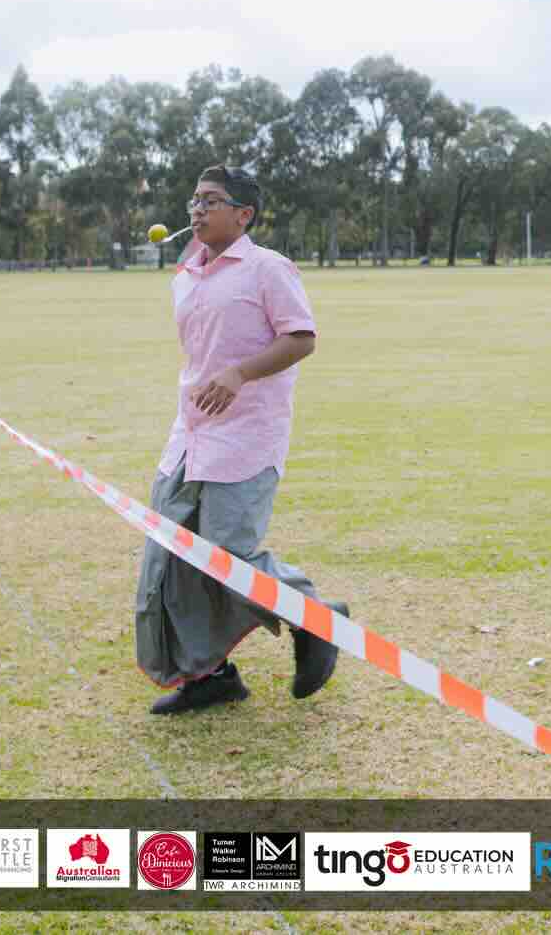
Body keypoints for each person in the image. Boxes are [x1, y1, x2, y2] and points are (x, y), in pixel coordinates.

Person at [135, 163, 346, 715]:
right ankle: (211, 674)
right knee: (176, 556)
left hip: (246, 438)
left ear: (243, 214)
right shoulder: (187, 274)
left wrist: (240, 374)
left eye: (211, 200)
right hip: (189, 437)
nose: (197, 210)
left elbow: (301, 338)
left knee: (228, 555)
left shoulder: (268, 269)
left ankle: (316, 618)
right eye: (194, 201)